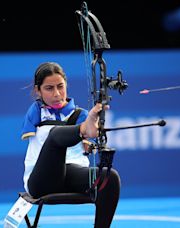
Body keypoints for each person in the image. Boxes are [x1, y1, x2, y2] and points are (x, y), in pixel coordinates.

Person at [21, 62, 121, 227]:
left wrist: (92, 141)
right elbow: (54, 137)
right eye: (49, 88)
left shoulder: (80, 114)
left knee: (110, 177)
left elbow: (89, 147)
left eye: (61, 86)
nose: (57, 94)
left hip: (72, 175)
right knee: (55, 135)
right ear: (38, 90)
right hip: (41, 181)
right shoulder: (36, 112)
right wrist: (84, 129)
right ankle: (83, 129)